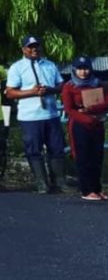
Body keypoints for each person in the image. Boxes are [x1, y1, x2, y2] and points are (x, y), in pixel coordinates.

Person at [4, 36, 66, 193]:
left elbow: (60, 85)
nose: (34, 50)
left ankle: (59, 181)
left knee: (57, 147)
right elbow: (10, 93)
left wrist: (49, 90)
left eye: (36, 46)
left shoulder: (50, 65)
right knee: (33, 149)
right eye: (30, 47)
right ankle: (41, 183)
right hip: (30, 116)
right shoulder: (17, 67)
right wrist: (32, 92)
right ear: (24, 49)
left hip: (51, 114)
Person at [62, 55, 108, 201]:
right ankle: (86, 190)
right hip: (80, 125)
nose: (83, 72)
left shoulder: (97, 83)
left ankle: (97, 189)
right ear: (74, 70)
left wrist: (92, 108)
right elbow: (69, 109)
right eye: (79, 69)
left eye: (85, 69)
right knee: (83, 157)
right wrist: (86, 118)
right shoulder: (69, 87)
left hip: (97, 124)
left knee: (97, 157)